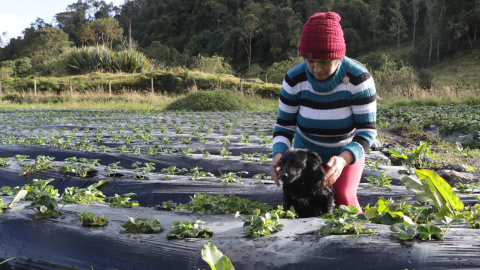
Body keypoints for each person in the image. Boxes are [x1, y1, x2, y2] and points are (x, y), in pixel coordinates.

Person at [270, 11, 377, 212]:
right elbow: (284, 125)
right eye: (310, 61)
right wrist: (278, 153)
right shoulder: (294, 78)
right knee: (302, 204)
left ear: (339, 57)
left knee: (344, 199)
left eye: (324, 62)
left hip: (346, 151)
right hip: (306, 158)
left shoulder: (358, 79)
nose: (316, 69)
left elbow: (367, 131)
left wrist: (343, 159)